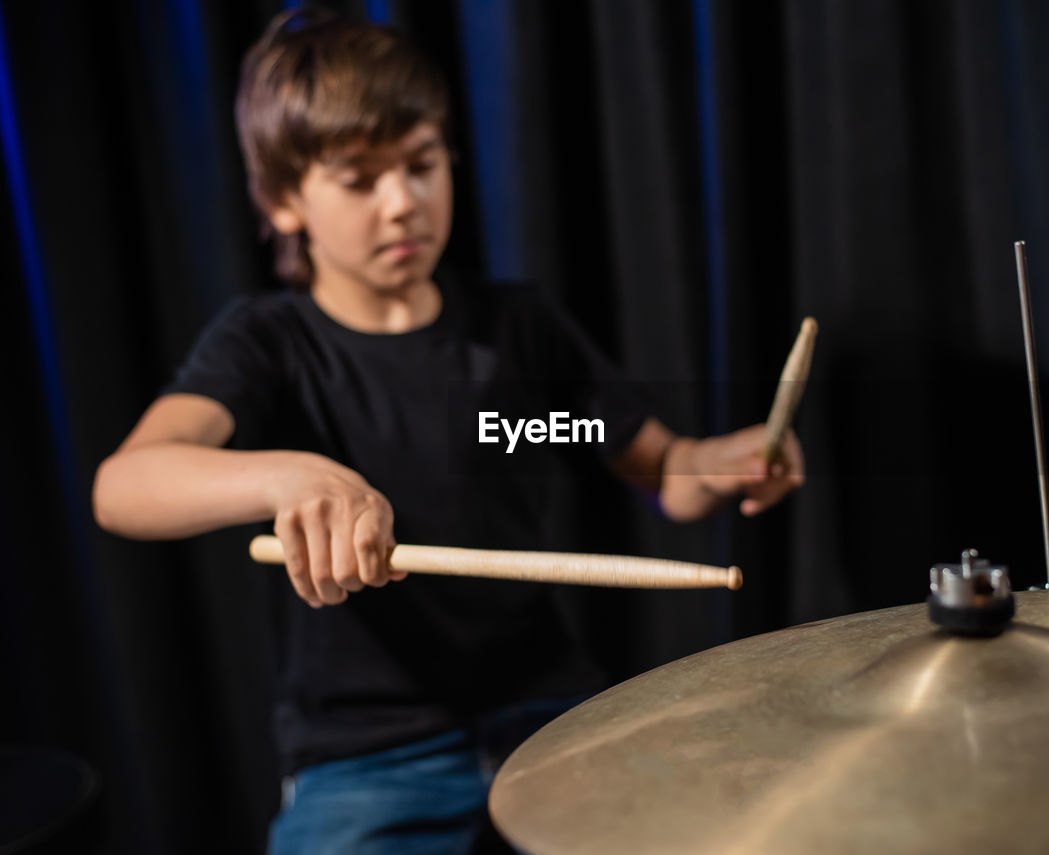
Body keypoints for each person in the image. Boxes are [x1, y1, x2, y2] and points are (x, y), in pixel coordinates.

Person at [92, 8, 804, 854]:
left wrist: (726, 462)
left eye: (423, 165)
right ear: (284, 200)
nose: (403, 203)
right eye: (360, 180)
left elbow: (664, 474)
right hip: (366, 759)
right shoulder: (270, 347)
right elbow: (123, 485)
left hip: (549, 718)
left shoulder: (515, 332)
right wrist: (288, 476)